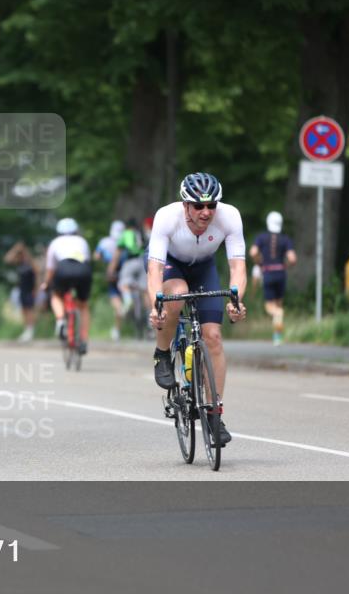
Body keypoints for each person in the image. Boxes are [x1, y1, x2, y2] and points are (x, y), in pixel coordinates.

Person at [147, 172, 247, 446]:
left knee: (213, 337)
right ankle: (162, 352)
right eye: (199, 206)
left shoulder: (230, 216)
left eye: (211, 206)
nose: (206, 213)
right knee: (176, 295)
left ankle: (215, 415)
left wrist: (236, 301)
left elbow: (238, 266)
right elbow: (154, 268)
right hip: (171, 264)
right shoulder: (166, 217)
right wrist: (156, 305)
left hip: (204, 268)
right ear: (185, 205)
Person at [43, 218, 93, 354]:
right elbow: (87, 260)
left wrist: (46, 283)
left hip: (63, 269)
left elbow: (50, 269)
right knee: (83, 305)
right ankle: (83, 340)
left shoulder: (55, 243)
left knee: (55, 295)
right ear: (75, 230)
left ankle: (60, 320)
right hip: (83, 269)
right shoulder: (82, 241)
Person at [249, 211, 297, 345]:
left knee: (271, 308)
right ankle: (277, 336)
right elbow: (292, 259)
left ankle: (278, 321)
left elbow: (253, 252)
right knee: (278, 304)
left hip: (268, 273)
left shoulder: (261, 238)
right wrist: (285, 266)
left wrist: (259, 262)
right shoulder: (285, 239)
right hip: (281, 274)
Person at [108, 217, 149, 340]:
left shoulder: (126, 234)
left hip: (131, 262)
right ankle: (149, 319)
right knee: (145, 291)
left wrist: (111, 270)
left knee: (123, 284)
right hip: (143, 262)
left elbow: (117, 253)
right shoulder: (141, 233)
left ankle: (127, 300)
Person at [93, 220, 125, 340]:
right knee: (124, 296)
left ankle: (117, 329)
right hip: (125, 273)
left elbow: (96, 256)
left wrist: (104, 257)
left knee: (115, 298)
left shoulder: (104, 242)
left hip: (111, 274)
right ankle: (118, 327)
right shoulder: (126, 240)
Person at [4, 240, 38, 342]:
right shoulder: (19, 262)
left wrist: (36, 289)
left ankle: (31, 330)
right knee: (24, 310)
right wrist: (15, 249)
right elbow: (7, 259)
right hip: (22, 289)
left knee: (30, 310)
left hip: (30, 289)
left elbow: (37, 272)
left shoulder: (30, 262)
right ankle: (26, 330)